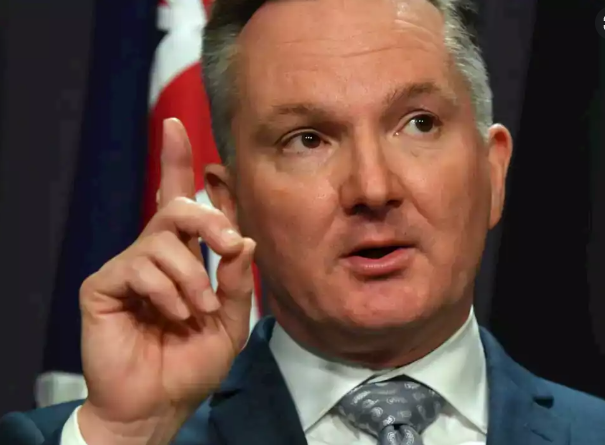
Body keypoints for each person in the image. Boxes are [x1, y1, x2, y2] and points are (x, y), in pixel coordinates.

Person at [2, 0, 605, 443]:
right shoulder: (106, 436)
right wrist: (126, 437)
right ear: (229, 206)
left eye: (418, 123)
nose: (373, 188)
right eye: (307, 139)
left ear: (493, 173)